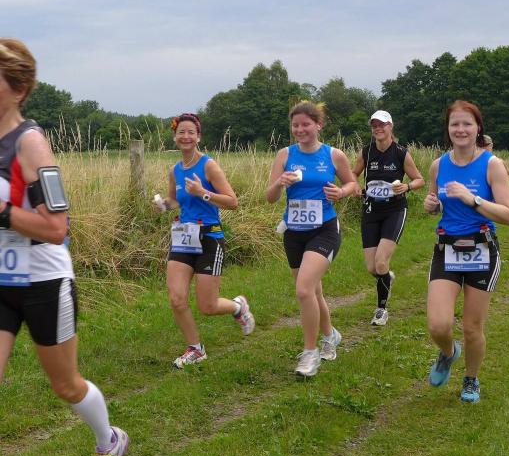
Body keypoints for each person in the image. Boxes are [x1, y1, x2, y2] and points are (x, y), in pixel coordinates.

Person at [0, 38, 129, 456]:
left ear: (18, 89)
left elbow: (57, 228)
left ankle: (109, 440)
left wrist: (3, 212)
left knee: (66, 386)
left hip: (44, 281)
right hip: (1, 280)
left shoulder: (30, 143)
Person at [423, 100, 509, 403]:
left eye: (467, 124)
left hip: (482, 248)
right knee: (438, 325)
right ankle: (449, 352)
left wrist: (472, 199)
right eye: (455, 124)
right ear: (448, 129)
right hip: (447, 248)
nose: (460, 129)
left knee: (472, 327)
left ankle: (471, 379)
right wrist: (431, 205)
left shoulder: (492, 165)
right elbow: (436, 202)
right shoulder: (438, 165)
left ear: (478, 128)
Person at [154, 113, 255, 369]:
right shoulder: (175, 170)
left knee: (207, 306)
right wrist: (164, 205)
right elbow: (175, 200)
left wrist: (203, 193)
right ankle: (196, 349)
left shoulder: (209, 166)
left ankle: (237, 307)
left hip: (209, 237)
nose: (186, 136)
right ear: (175, 137)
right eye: (181, 132)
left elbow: (232, 201)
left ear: (198, 137)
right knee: (176, 298)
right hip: (183, 238)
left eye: (191, 132)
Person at [266, 101, 358, 377]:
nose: (300, 129)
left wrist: (341, 192)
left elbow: (352, 183)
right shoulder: (285, 155)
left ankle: (310, 353)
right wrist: (280, 183)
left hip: (324, 229)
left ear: (318, 125)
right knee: (313, 291)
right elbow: (270, 197)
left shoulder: (333, 155)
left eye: (306, 124)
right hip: (294, 232)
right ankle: (330, 335)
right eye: (295, 125)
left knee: (304, 290)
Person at [352, 110, 424, 326]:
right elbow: (353, 174)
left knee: (381, 261)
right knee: (372, 268)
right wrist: (354, 186)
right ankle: (385, 277)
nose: (378, 129)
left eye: (381, 125)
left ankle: (381, 310)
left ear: (390, 127)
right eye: (374, 126)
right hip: (371, 210)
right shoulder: (367, 152)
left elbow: (419, 179)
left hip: (395, 210)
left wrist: (407, 186)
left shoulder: (401, 153)